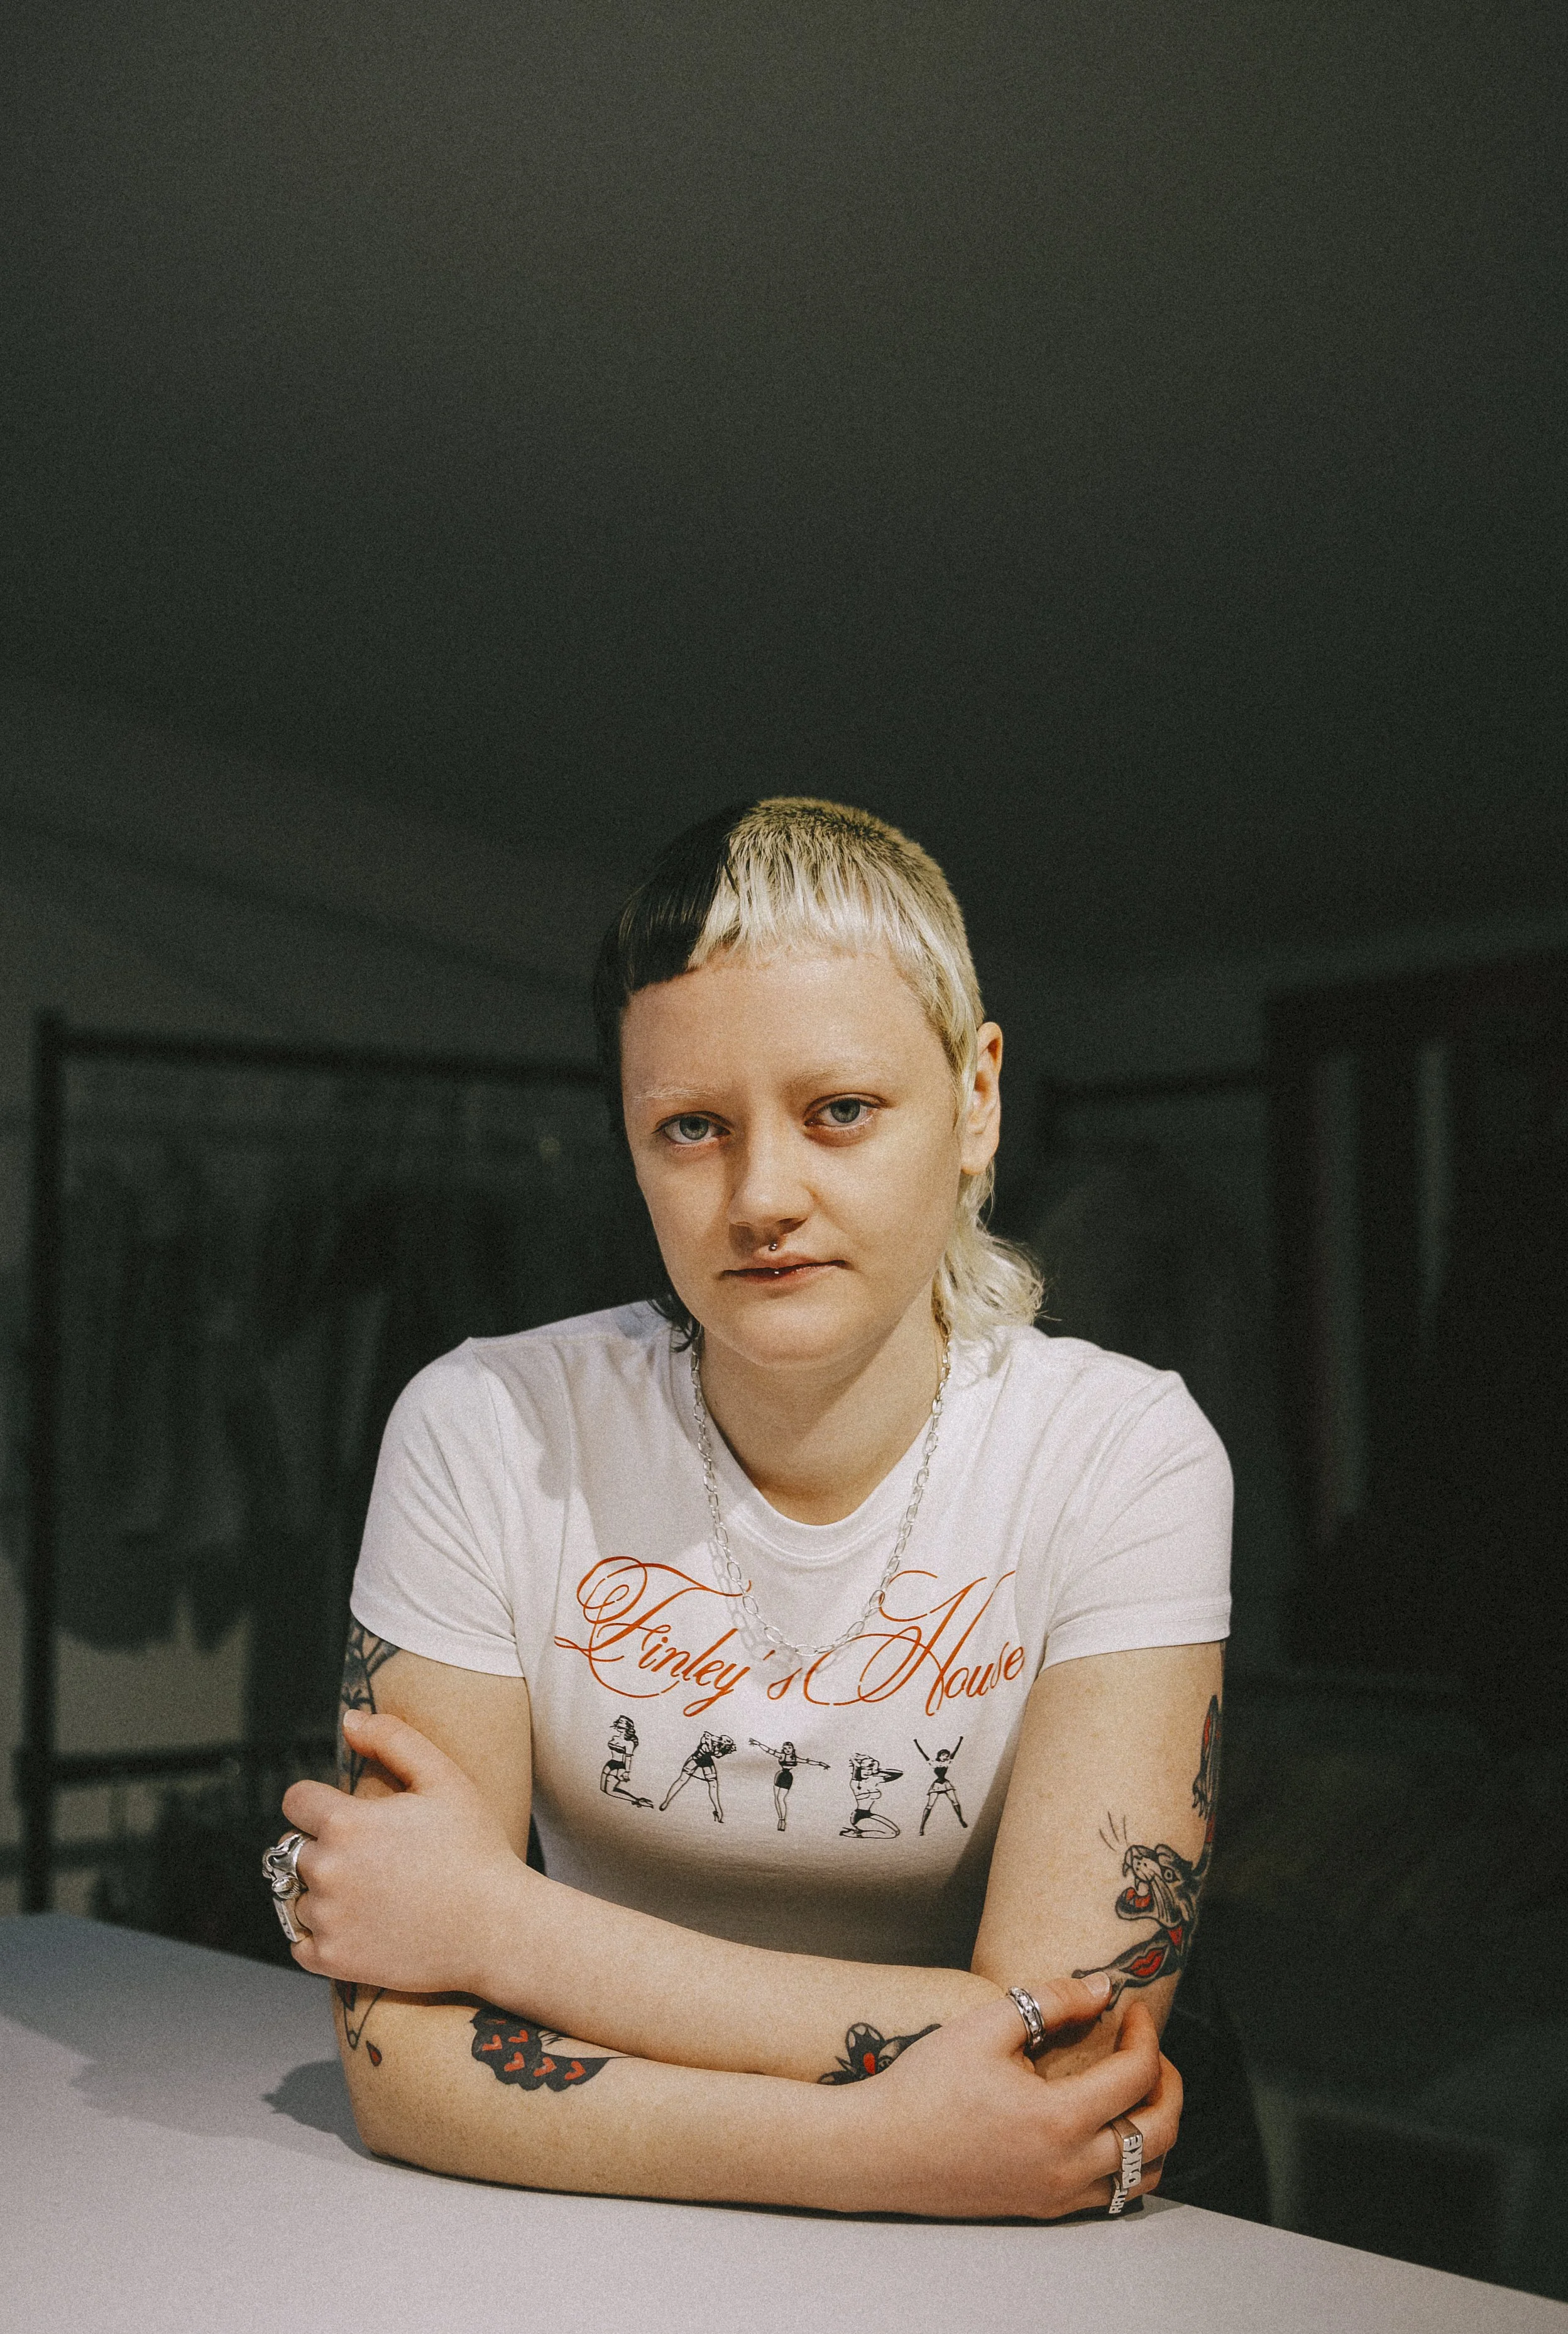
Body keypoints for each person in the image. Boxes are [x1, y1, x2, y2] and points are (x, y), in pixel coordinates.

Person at [273, 798, 1231, 2222]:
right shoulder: (489, 1427)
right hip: (598, 2245)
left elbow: (1072, 2061)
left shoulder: (1119, 1449)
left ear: (975, 1100)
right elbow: (400, 2064)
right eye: (689, 1127)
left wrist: (502, 1926)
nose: (759, 1194)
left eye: (839, 1110)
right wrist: (891, 2143)